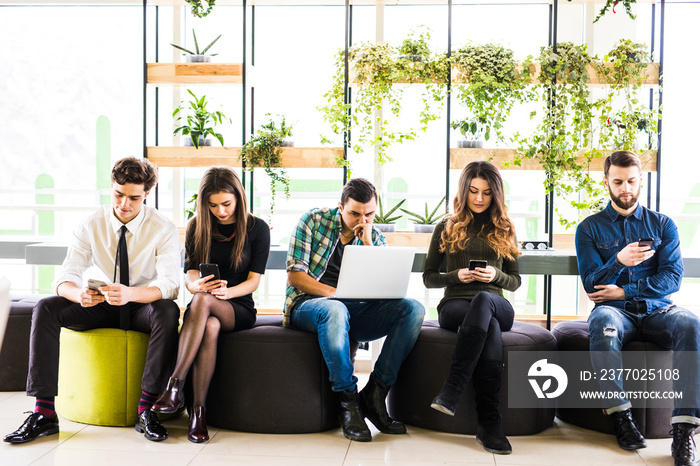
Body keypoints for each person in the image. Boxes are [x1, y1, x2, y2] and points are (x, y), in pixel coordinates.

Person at [4, 157, 181, 444]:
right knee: (46, 307)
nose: (124, 204)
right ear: (111, 188)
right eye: (118, 195)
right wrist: (79, 295)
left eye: (134, 198)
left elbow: (170, 283)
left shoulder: (162, 227)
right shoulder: (91, 224)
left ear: (147, 194)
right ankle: (44, 413)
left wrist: (131, 293)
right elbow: (65, 274)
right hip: (102, 304)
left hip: (140, 307)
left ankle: (146, 409)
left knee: (168, 309)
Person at [575, 151, 700, 465]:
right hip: (616, 312)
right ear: (607, 182)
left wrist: (624, 289)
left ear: (640, 180)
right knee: (602, 321)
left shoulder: (663, 224)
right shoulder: (589, 228)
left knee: (691, 324)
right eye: (618, 182)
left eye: (631, 181)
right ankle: (621, 416)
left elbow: (672, 279)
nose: (625, 188)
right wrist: (618, 260)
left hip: (659, 310)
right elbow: (592, 285)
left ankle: (684, 430)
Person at [284, 177, 425, 442]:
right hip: (307, 306)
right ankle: (348, 402)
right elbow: (295, 276)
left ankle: (375, 393)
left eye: (370, 213)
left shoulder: (374, 236)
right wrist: (333, 294)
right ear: (340, 206)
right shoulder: (313, 221)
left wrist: (370, 244)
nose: (362, 219)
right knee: (335, 309)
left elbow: (385, 289)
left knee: (413, 309)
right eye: (354, 213)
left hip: (352, 311)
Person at [151, 167, 270, 443]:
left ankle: (174, 385)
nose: (221, 211)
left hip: (238, 306)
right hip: (206, 309)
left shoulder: (257, 228)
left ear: (238, 198)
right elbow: (191, 276)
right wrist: (197, 287)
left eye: (226, 204)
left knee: (204, 304)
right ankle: (198, 413)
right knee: (210, 326)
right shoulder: (197, 226)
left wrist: (227, 293)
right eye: (213, 205)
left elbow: (253, 282)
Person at [422, 160, 521, 454]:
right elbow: (429, 277)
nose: (479, 199)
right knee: (485, 322)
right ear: (463, 191)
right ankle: (490, 423)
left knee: (484, 300)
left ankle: (453, 388)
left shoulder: (505, 228)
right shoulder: (446, 226)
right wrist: (457, 276)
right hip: (454, 306)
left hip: (496, 303)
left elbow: (514, 281)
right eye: (474, 191)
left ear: (496, 195)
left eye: (487, 193)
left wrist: (495, 276)